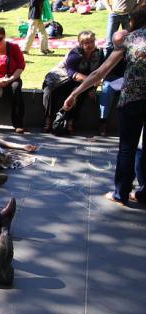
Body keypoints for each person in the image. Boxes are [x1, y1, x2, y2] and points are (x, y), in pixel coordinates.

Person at [63, 4, 146, 205]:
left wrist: (74, 93)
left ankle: (121, 193)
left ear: (134, 21)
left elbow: (99, 73)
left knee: (127, 147)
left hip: (133, 100)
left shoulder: (132, 39)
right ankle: (144, 192)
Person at [42, 31, 104, 134]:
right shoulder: (75, 54)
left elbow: (98, 72)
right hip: (61, 79)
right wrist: (92, 82)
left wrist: (93, 88)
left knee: (79, 92)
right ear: (80, 44)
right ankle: (48, 121)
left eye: (92, 41)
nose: (90, 45)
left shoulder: (99, 54)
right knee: (49, 91)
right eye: (86, 42)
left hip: (81, 82)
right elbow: (72, 73)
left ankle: (70, 122)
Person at [99, 47, 126, 136]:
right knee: (106, 88)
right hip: (114, 78)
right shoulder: (112, 51)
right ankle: (103, 121)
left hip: (130, 78)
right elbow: (105, 70)